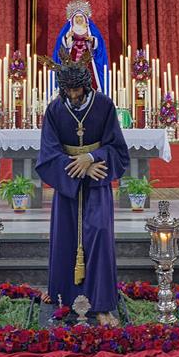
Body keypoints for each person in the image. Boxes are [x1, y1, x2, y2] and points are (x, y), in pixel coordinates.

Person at [36, 52, 130, 325]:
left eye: (77, 90)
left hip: (98, 182)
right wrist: (80, 167)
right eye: (68, 90)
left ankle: (101, 304)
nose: (73, 95)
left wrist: (91, 158)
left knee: (99, 234)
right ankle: (62, 294)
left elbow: (117, 148)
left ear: (86, 86)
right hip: (68, 184)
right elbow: (48, 153)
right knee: (65, 236)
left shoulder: (104, 105)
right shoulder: (55, 110)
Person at [52, 0, 108, 91]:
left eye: (80, 17)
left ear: (84, 18)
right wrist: (68, 37)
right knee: (72, 73)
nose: (79, 19)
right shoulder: (70, 29)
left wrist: (91, 39)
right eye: (77, 17)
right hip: (73, 55)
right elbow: (64, 45)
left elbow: (98, 44)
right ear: (73, 19)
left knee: (88, 73)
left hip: (86, 55)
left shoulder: (90, 29)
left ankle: (89, 90)